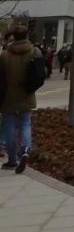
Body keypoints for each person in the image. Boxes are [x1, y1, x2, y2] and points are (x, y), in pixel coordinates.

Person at [0, 25, 42, 173]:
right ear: (26, 35)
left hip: (8, 96)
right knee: (25, 123)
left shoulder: (5, 55)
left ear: (13, 36)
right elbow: (41, 73)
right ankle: (25, 149)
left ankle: (12, 159)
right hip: (27, 93)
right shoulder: (35, 52)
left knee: (9, 126)